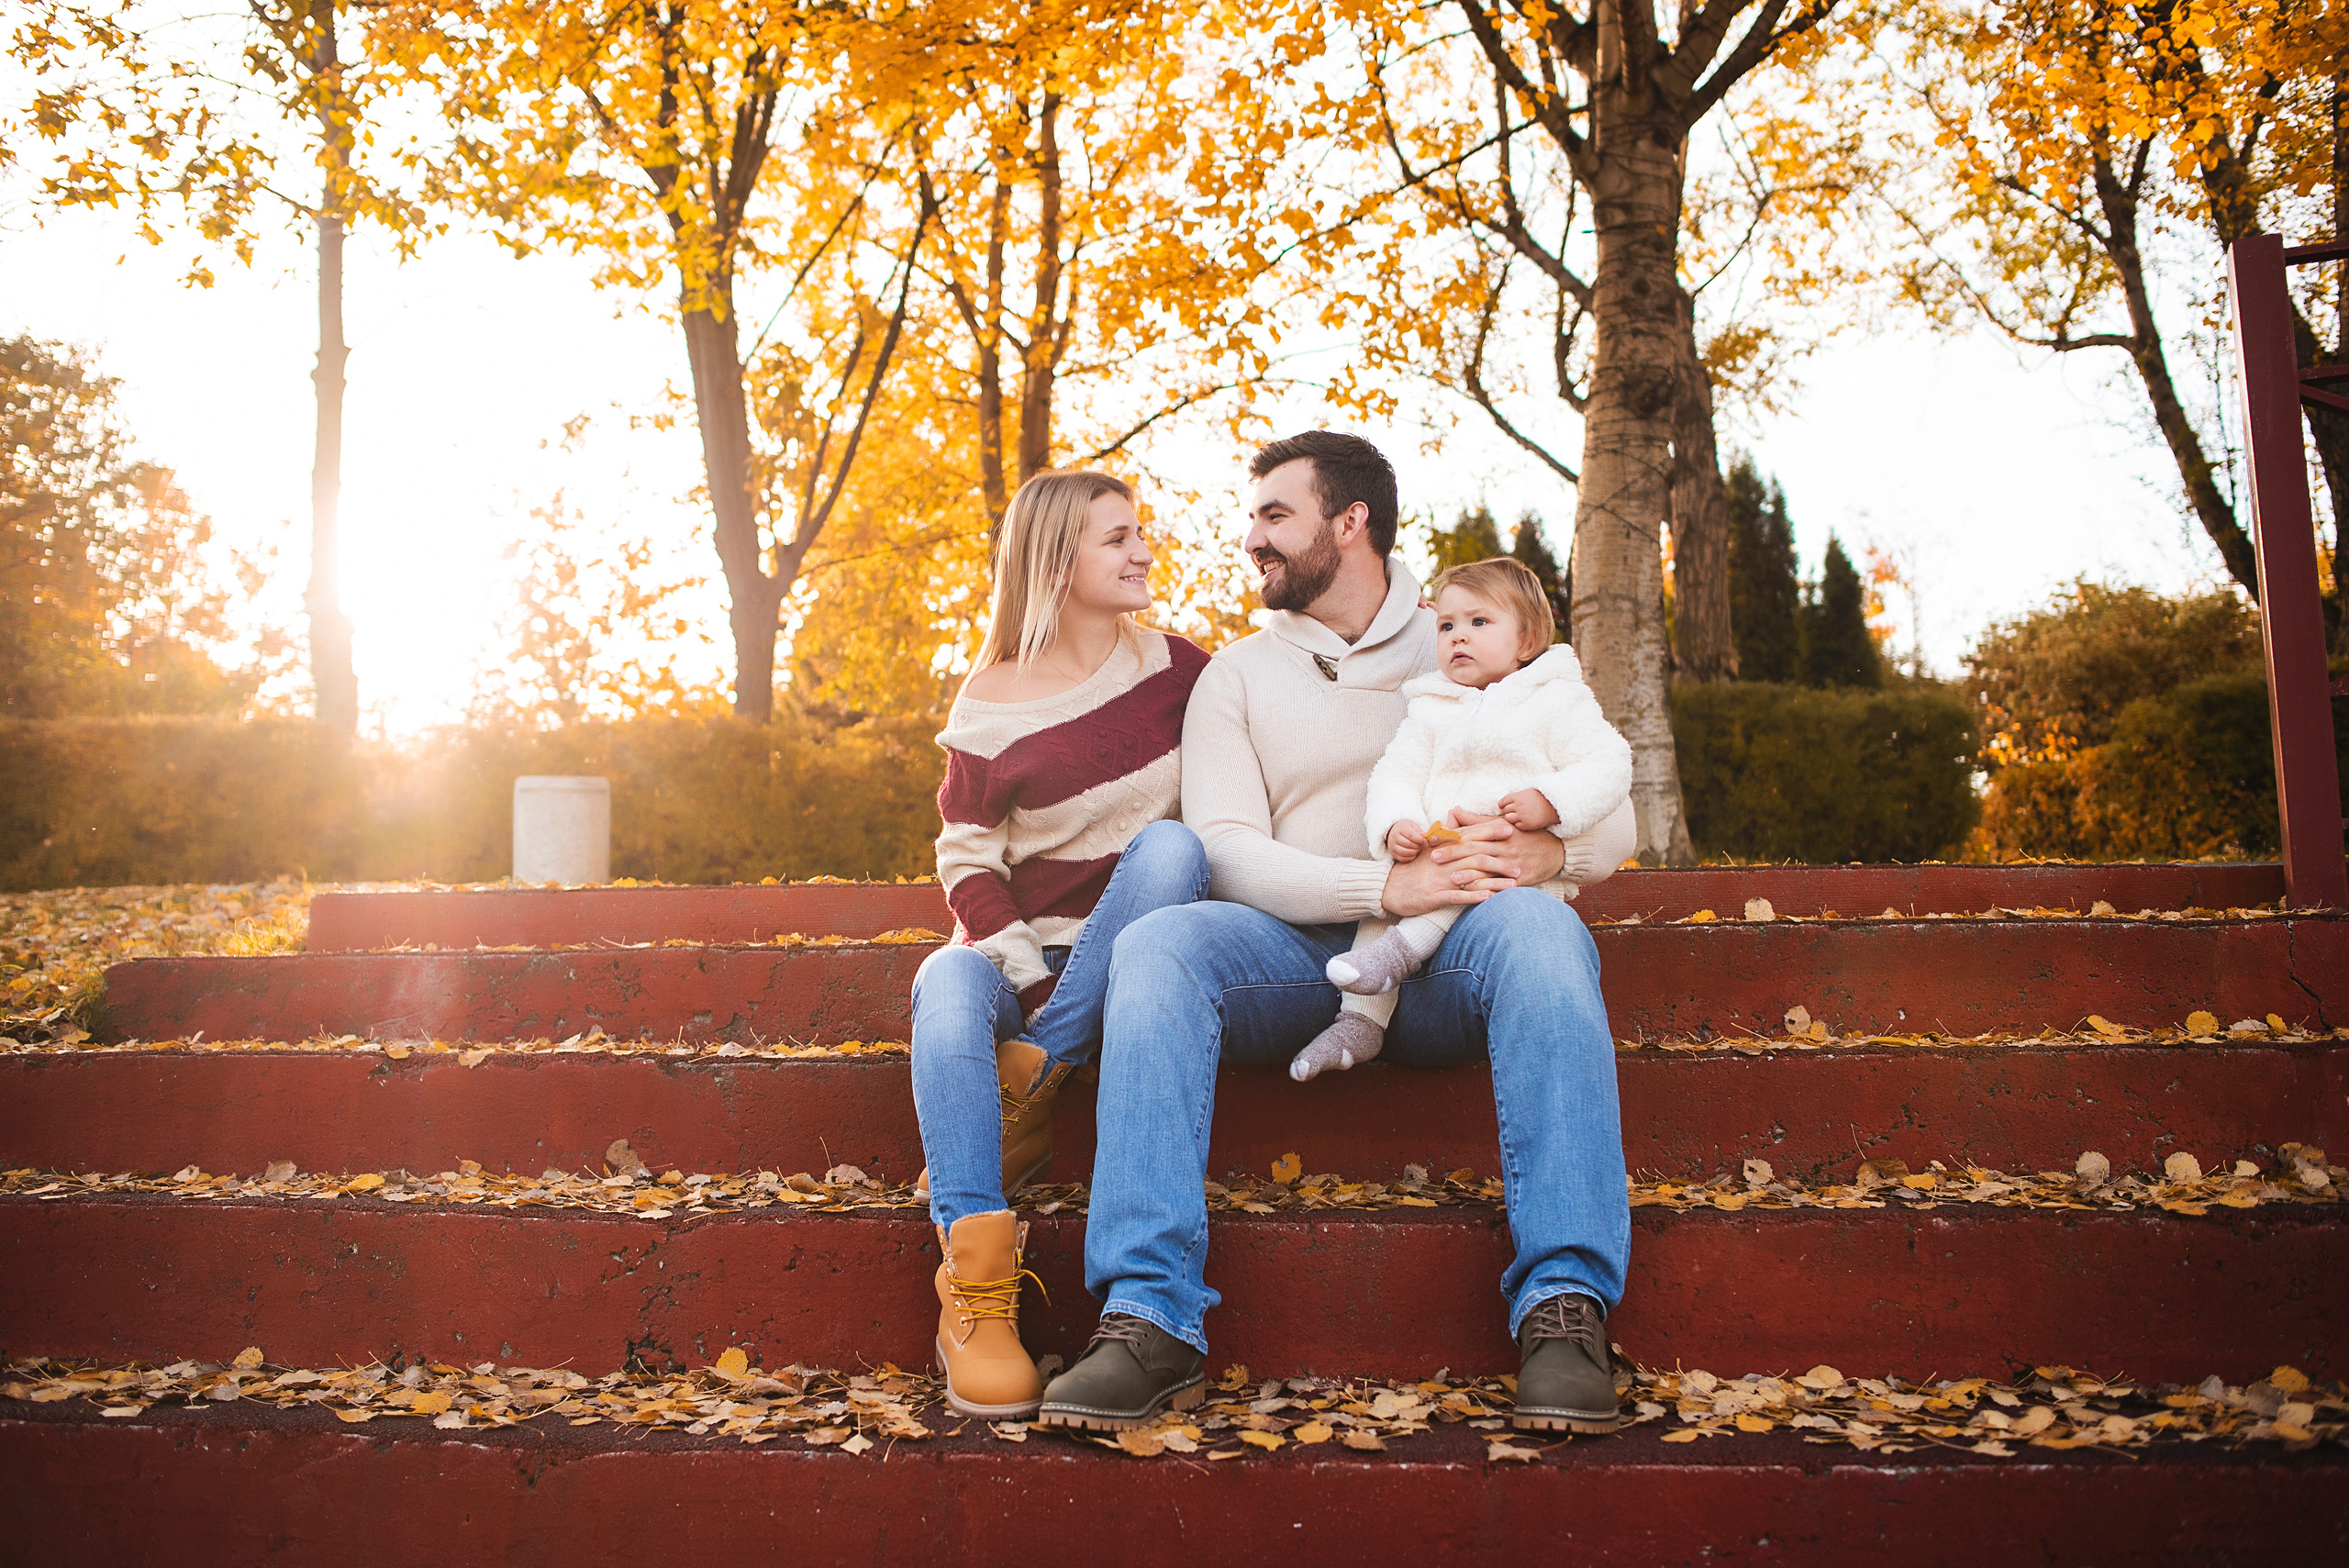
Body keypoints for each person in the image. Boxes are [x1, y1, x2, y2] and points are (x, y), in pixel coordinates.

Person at [1034, 431, 1637, 1437]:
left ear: (1350, 521)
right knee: (1158, 945)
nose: (1252, 538)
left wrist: (1541, 855)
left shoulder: (1468, 631)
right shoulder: (1237, 675)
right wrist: (1381, 884)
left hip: (1454, 954)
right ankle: (1150, 1315)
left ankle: (1564, 1309)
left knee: (1542, 930)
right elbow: (1226, 848)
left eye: (1275, 514)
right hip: (1297, 960)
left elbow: (1611, 816)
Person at [910, 468, 1210, 1420]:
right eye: (1118, 538)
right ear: (1055, 559)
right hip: (1019, 960)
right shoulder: (990, 699)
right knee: (943, 978)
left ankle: (1032, 1082)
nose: (1143, 552)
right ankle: (976, 1292)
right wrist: (1031, 980)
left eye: (1139, 532)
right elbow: (965, 857)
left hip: (1139, 957)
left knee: (1173, 848)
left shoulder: (1180, 671)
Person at [1291, 555, 1632, 1081]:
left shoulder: (1557, 699)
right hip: (1435, 855)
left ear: (1526, 641)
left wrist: (1550, 801)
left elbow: (1609, 764)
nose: (1459, 637)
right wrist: (1397, 823)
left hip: (1506, 882)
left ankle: (1397, 958)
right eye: (1446, 626)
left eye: (1479, 622)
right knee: (1385, 904)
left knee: (1458, 882)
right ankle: (1359, 1023)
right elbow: (1396, 773)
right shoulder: (1432, 706)